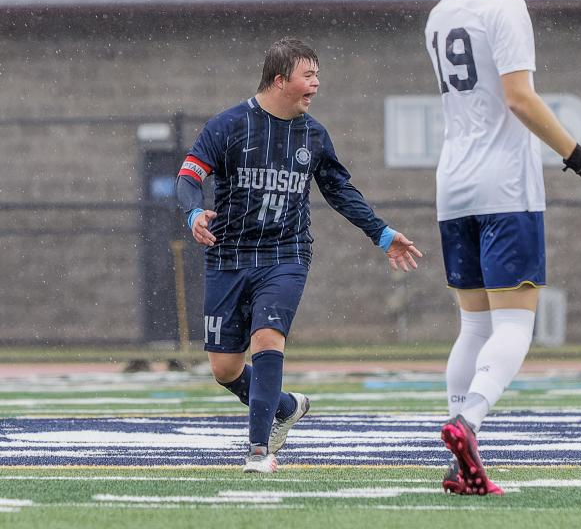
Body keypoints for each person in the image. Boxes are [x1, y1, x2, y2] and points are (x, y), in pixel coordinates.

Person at [425, 0, 581, 496]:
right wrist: (579, 155)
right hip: (504, 185)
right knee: (514, 323)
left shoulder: (436, 15)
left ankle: (463, 456)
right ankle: (468, 421)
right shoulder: (503, 5)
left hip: (452, 183)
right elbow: (519, 98)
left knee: (473, 324)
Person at [175, 38, 422, 473]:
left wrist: (381, 234)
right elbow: (188, 175)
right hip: (228, 256)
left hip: (285, 254)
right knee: (225, 369)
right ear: (279, 80)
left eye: (317, 75)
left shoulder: (313, 134)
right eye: (309, 76)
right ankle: (285, 406)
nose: (316, 85)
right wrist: (194, 211)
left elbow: (340, 191)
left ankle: (258, 450)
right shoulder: (228, 125)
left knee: (267, 338)